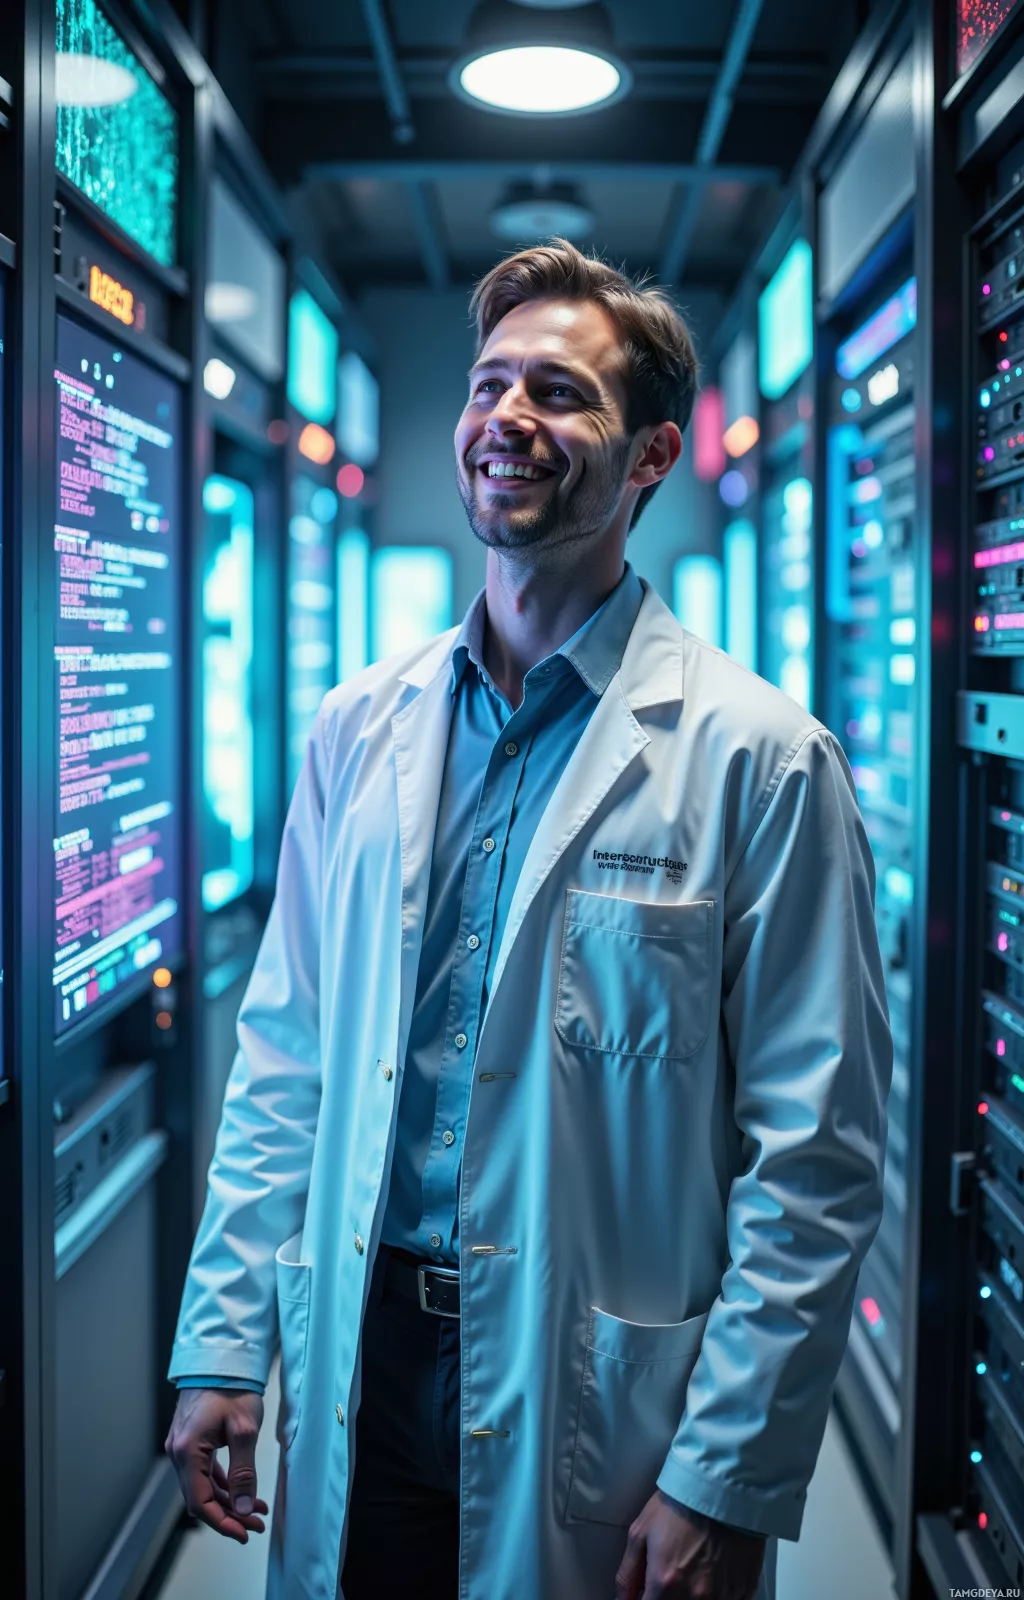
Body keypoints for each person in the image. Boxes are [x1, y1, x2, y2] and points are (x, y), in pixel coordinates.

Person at [166, 240, 892, 1600]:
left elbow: (817, 1159)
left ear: (653, 454)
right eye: (490, 384)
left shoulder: (762, 760)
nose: (507, 418)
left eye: (559, 392)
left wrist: (722, 1470)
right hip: (367, 1364)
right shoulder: (357, 730)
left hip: (606, 1403)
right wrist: (223, 1343)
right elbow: (289, 1062)